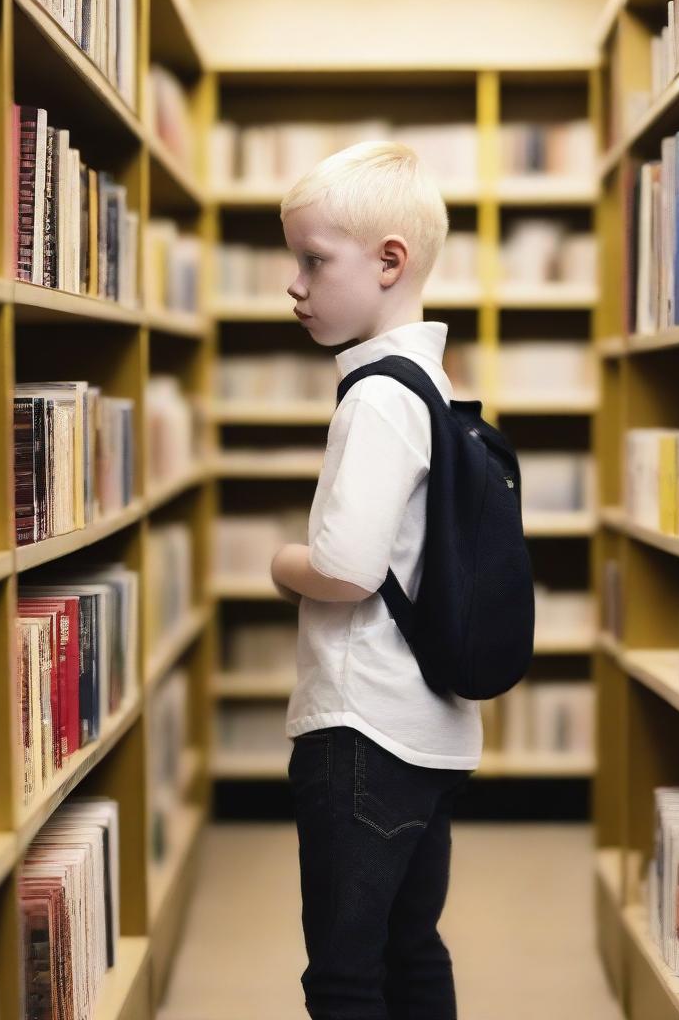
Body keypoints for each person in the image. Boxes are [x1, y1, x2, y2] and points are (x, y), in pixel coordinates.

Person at [269, 140, 482, 1020]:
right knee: (411, 948)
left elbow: (347, 572)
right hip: (428, 729)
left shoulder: (376, 398)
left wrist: (281, 565)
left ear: (390, 261)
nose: (296, 284)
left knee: (346, 974)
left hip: (359, 733)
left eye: (314, 260)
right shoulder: (436, 386)